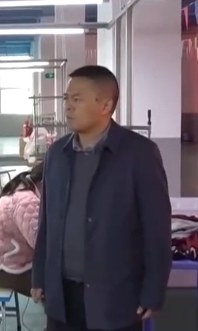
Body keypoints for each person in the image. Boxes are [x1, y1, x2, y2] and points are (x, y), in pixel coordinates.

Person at [32, 65, 172, 331]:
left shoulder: (139, 154)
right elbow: (46, 223)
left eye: (77, 99)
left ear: (106, 105)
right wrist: (39, 275)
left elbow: (157, 230)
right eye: (66, 99)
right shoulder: (57, 154)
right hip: (62, 297)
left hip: (115, 298)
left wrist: (153, 289)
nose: (68, 106)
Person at [0, 163, 43, 296]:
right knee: (58, 285)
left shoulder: (21, 190)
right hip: (4, 269)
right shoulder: (27, 201)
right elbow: (40, 242)